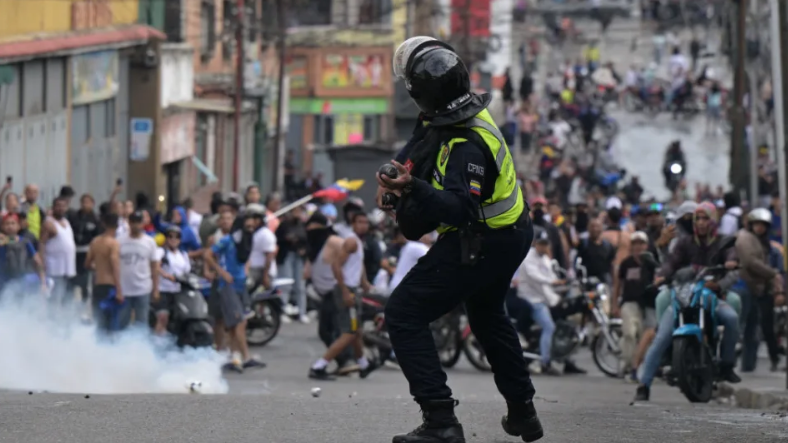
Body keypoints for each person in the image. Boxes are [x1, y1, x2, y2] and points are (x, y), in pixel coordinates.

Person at [378, 36, 542, 443]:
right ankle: (523, 413)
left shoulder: (466, 143)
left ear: (421, 91)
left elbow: (457, 209)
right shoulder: (447, 113)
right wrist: (396, 174)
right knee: (487, 315)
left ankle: (440, 421)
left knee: (403, 312)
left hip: (485, 238)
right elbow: (416, 146)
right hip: (511, 232)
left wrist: (412, 187)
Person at [634, 202, 741, 401]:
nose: (701, 223)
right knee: (661, 337)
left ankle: (727, 365)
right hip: (683, 295)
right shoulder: (684, 243)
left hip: (710, 296)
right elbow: (671, 263)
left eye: (705, 218)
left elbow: (732, 257)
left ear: (713, 220)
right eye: (697, 219)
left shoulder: (722, 241)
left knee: (731, 318)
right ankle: (644, 384)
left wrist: (726, 270)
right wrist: (662, 275)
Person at [308, 211, 374, 380]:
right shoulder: (351, 241)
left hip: (353, 289)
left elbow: (358, 264)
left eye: (365, 222)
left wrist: (365, 282)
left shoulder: (358, 242)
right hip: (347, 290)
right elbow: (336, 265)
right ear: (353, 224)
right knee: (350, 332)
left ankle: (363, 364)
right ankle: (319, 366)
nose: (363, 225)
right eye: (359, 222)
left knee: (356, 330)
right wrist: (345, 291)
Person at [204, 210, 265, 372]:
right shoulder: (227, 241)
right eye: (248, 224)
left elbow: (245, 260)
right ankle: (246, 357)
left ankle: (234, 357)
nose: (251, 227)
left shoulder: (246, 241)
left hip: (240, 285)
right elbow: (208, 254)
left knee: (235, 324)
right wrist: (221, 272)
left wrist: (245, 271)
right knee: (238, 321)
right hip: (227, 286)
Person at [737, 209, 782, 372]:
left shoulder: (765, 243)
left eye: (763, 225)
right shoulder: (745, 238)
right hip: (745, 287)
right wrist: (772, 273)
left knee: (757, 329)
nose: (760, 227)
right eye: (757, 224)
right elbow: (750, 262)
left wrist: (777, 288)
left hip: (760, 289)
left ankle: (750, 366)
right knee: (741, 328)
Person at [611, 231, 658, 381]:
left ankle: (636, 366)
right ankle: (626, 365)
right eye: (635, 243)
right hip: (629, 303)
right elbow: (618, 285)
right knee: (629, 333)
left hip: (646, 304)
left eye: (641, 243)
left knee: (643, 337)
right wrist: (615, 304)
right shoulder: (626, 263)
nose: (638, 247)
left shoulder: (650, 263)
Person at [517, 228, 562, 375]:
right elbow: (535, 277)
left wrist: (560, 285)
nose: (543, 246)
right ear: (535, 243)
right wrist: (554, 282)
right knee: (549, 327)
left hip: (543, 297)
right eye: (541, 243)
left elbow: (551, 275)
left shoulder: (545, 259)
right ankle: (545, 361)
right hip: (531, 299)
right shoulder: (528, 257)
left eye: (545, 244)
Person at [117, 210, 160, 330]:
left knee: (141, 324)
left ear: (143, 223)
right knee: (122, 324)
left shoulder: (150, 242)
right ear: (129, 223)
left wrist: (156, 289)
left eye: (138, 222)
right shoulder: (119, 241)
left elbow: (154, 266)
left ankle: (141, 347)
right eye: (133, 222)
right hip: (124, 289)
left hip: (143, 288)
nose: (135, 225)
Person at [85, 212, 122, 330]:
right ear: (117, 226)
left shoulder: (95, 241)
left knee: (99, 322)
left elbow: (87, 264)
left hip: (97, 285)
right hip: (110, 286)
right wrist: (119, 290)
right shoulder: (114, 243)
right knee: (111, 323)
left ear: (104, 224)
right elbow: (115, 265)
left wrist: (98, 267)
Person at [153, 225, 191, 335]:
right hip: (164, 290)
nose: (173, 239)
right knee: (163, 317)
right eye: (170, 236)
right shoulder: (161, 252)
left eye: (177, 237)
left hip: (179, 291)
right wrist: (166, 275)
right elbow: (156, 266)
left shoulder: (183, 255)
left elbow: (187, 272)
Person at [40, 197, 77, 305]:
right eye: (58, 206)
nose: (61, 208)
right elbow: (42, 243)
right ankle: (52, 319)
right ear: (53, 207)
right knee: (55, 296)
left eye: (63, 206)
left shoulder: (66, 221)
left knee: (65, 296)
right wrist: (42, 263)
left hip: (68, 266)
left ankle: (62, 317)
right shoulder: (49, 223)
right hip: (55, 266)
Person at [275, 205, 308, 322]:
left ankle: (302, 311)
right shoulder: (284, 225)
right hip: (286, 255)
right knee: (285, 284)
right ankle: (282, 309)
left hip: (299, 256)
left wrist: (303, 249)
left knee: (300, 285)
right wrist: (287, 239)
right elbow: (278, 238)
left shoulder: (303, 225)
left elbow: (307, 240)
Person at [68, 194, 100, 315]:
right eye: (83, 202)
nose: (85, 204)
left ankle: (85, 309)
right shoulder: (74, 216)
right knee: (72, 280)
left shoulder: (96, 219)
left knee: (86, 282)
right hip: (74, 253)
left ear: (92, 204)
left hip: (87, 253)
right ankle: (71, 308)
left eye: (88, 202)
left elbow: (97, 238)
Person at [0, 213, 45, 297]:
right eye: (7, 223)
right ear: (2, 227)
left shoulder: (25, 242)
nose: (10, 226)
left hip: (21, 283)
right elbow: (7, 240)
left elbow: (37, 261)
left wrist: (43, 282)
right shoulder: (2, 241)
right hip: (3, 284)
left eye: (13, 223)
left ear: (18, 226)